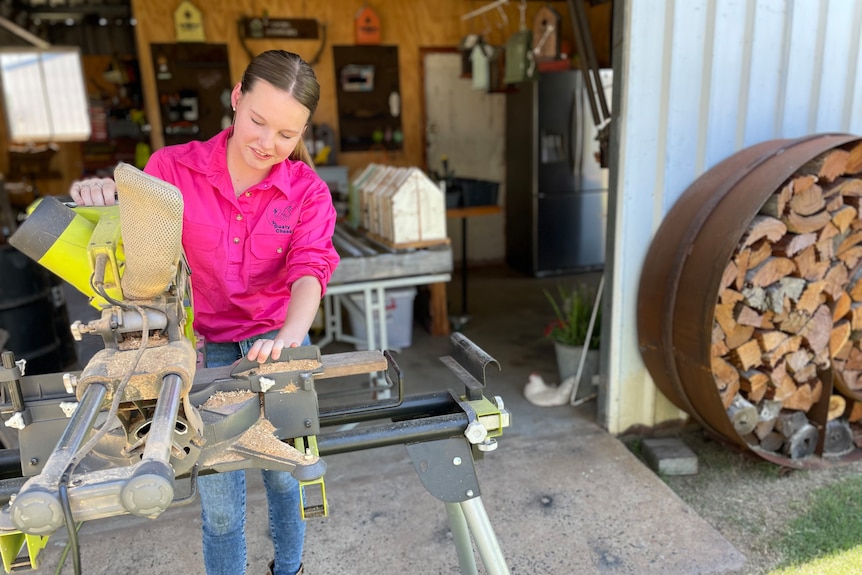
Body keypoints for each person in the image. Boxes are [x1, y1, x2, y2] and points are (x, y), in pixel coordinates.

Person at [70, 50, 340, 575]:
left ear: (304, 129)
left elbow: (310, 268)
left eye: (287, 135)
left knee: (286, 477)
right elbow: (136, 248)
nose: (268, 144)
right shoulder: (171, 169)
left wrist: (291, 335)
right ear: (237, 99)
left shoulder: (307, 192)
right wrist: (101, 199)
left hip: (271, 341)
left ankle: (290, 568)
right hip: (197, 349)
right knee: (219, 499)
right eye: (258, 122)